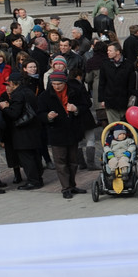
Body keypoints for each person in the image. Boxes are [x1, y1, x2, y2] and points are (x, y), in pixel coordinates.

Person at [40, 71, 86, 199]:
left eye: (59, 84)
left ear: (64, 83)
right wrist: (47, 117)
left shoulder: (74, 92)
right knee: (60, 162)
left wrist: (76, 109)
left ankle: (72, 185)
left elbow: (86, 105)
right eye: (53, 84)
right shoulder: (45, 96)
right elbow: (39, 113)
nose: (56, 86)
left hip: (73, 131)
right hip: (57, 132)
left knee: (73, 161)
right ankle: (65, 188)